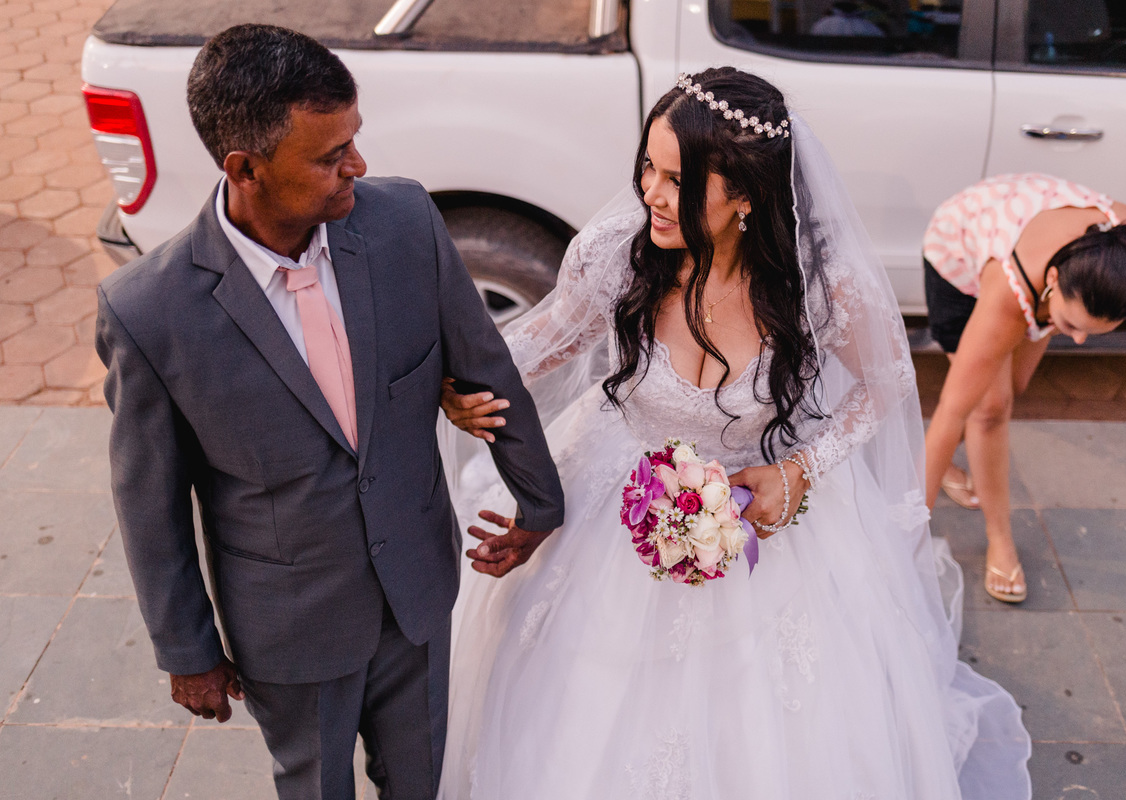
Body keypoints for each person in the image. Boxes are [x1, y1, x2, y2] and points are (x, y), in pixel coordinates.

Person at [437, 67, 1031, 799]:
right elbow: (536, 344)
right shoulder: (622, 253)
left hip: (760, 512)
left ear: (746, 195)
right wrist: (459, 386)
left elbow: (884, 386)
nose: (650, 193)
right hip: (609, 488)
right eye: (647, 167)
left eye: (676, 179)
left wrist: (801, 471)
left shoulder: (820, 281)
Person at [94, 24, 563, 800]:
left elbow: (486, 368)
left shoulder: (406, 224)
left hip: (417, 588)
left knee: (424, 780)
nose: (359, 165)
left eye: (355, 139)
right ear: (246, 169)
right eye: (328, 156)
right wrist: (187, 650)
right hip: (289, 628)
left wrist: (539, 503)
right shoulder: (150, 311)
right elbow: (149, 503)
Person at [922, 174, 1126, 602]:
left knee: (1011, 387)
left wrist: (1062, 319)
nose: (1079, 340)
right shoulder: (1009, 296)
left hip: (1035, 241)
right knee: (988, 409)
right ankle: (1000, 538)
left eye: (1093, 331)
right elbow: (949, 410)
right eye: (1069, 325)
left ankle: (951, 467)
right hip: (959, 249)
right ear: (1053, 279)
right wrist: (908, 530)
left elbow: (1082, 302)